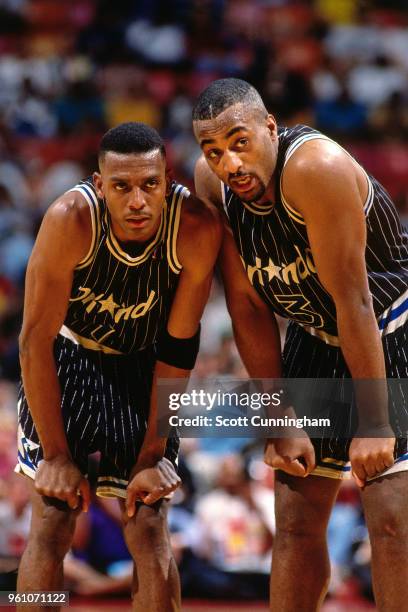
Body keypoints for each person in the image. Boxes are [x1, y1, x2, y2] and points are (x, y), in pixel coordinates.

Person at [193, 78, 408, 611]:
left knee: (390, 518)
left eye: (239, 142)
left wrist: (374, 423)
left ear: (270, 127)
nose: (229, 163)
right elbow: (246, 305)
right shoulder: (213, 186)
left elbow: (355, 304)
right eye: (214, 151)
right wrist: (278, 414)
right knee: (294, 520)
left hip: (389, 331)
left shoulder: (316, 169)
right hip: (316, 337)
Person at [16, 121, 222, 612]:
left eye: (149, 185)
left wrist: (153, 454)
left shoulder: (195, 225)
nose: (137, 201)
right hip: (68, 358)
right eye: (122, 186)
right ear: (98, 183)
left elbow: (179, 349)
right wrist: (56, 455)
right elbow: (33, 343)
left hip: (144, 365)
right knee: (53, 519)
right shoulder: (70, 218)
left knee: (149, 525)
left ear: (167, 180)